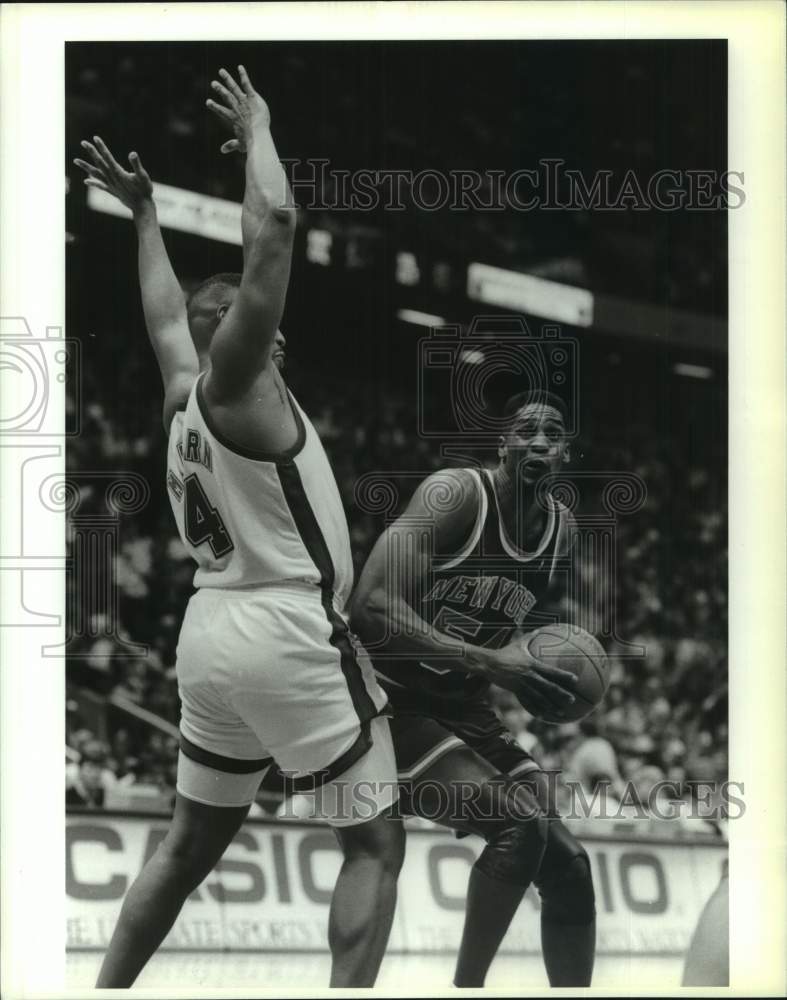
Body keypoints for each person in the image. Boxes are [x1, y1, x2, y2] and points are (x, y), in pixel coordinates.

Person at [75, 66, 403, 988]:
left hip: (210, 635)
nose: (281, 338)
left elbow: (164, 312)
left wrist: (143, 216)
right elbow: (279, 231)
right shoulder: (236, 384)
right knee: (374, 844)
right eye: (259, 328)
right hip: (289, 630)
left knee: (185, 851)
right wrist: (259, 127)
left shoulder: (182, 387)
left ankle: (105, 988)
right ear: (241, 336)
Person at [351, 390, 597, 987]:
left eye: (554, 433)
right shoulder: (457, 494)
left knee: (570, 866)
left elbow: (504, 632)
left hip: (465, 706)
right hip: (385, 698)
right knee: (520, 823)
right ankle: (467, 989)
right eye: (526, 430)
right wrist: (491, 662)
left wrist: (540, 679)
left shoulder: (560, 532)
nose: (540, 440)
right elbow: (370, 607)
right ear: (502, 443)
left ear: (566, 453)